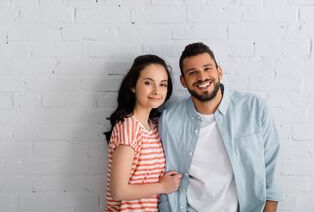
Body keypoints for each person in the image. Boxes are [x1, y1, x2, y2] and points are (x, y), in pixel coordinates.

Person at [158, 42, 282, 212]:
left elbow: (271, 171)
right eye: (192, 73)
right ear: (183, 81)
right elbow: (166, 178)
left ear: (219, 71)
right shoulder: (170, 120)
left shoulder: (254, 108)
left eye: (207, 68)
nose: (202, 77)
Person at [104, 55, 182, 212]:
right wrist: (162, 186)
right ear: (133, 86)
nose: (157, 91)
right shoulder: (128, 127)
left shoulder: (154, 126)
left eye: (163, 84)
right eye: (148, 83)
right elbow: (118, 191)